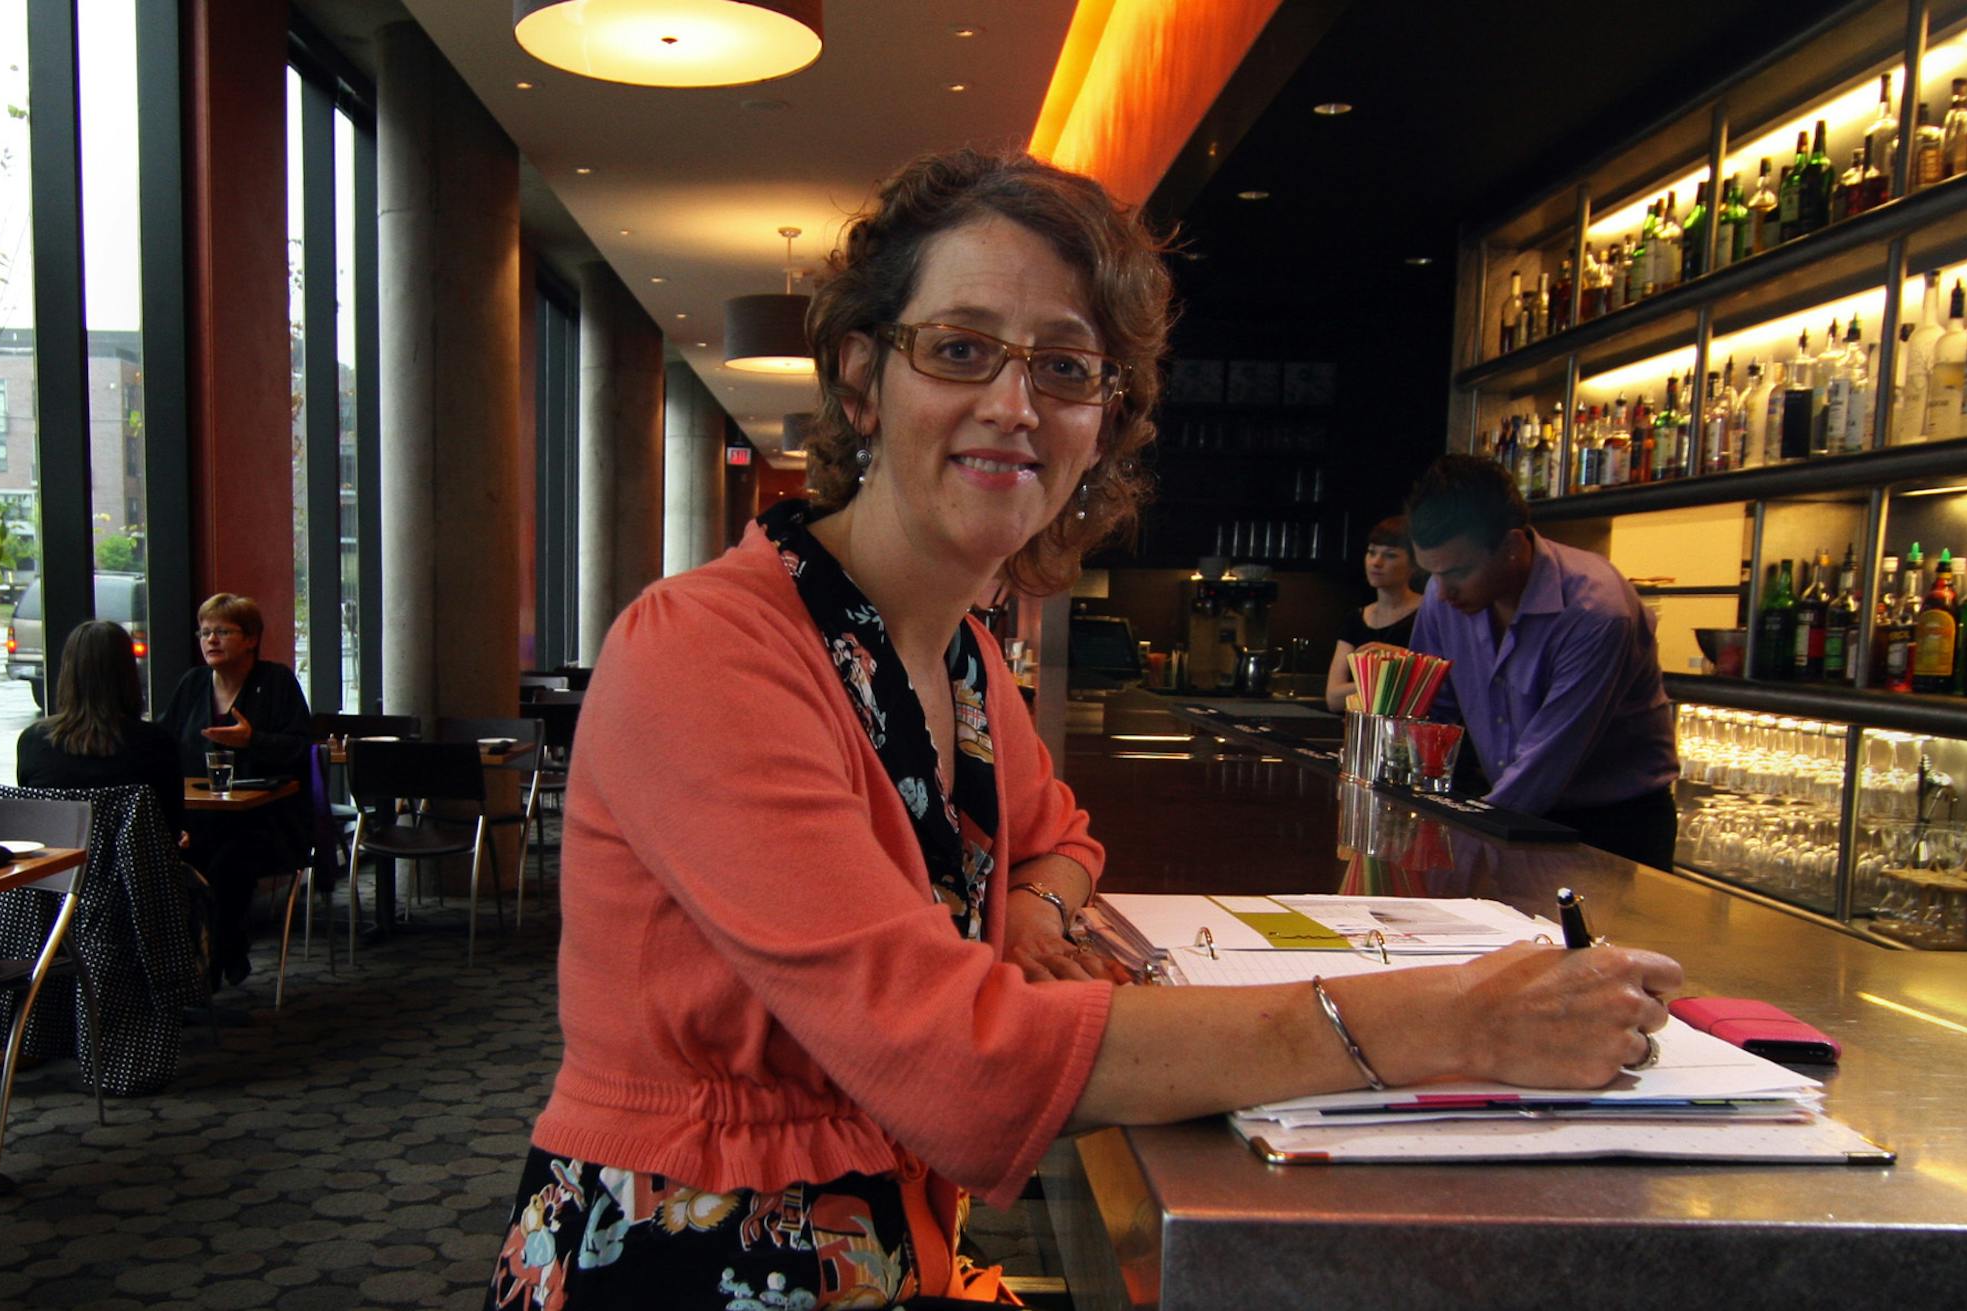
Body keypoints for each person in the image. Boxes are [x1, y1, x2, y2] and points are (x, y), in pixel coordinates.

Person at [488, 148, 1680, 1310]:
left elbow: (1064, 832)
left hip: (891, 1241)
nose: (1014, 406)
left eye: (1066, 370)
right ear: (863, 379)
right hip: (681, 1253)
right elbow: (956, 1066)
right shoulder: (707, 649)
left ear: (1105, 422)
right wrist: (1447, 1019)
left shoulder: (956, 656)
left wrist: (1027, 904)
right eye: (959, 350)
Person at [1404, 455, 1681, 869]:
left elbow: (1545, 764)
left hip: (1610, 829)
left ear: (1513, 546)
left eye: (1458, 571)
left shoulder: (1596, 611)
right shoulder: (1442, 597)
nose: (1441, 592)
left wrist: (1456, 844)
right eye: (1432, 574)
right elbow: (1429, 714)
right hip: (1503, 808)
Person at [157, 592, 313, 987]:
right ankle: (213, 952)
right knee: (171, 861)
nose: (211, 640)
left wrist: (253, 741)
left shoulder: (276, 682)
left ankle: (216, 955)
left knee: (228, 865)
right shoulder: (192, 684)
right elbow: (161, 745)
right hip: (199, 819)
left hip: (266, 820)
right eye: (205, 632)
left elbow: (301, 750)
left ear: (251, 639)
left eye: (222, 631)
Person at [15, 619, 184, 841]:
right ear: (128, 673)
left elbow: (32, 822)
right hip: (132, 873)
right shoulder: (155, 744)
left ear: (67, 672)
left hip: (58, 872)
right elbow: (169, 828)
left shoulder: (33, 742)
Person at [1324, 514, 1423, 712]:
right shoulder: (1356, 619)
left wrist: (1363, 685)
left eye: (1390, 555)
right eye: (1371, 552)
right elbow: (1333, 698)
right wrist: (1391, 680)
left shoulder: (1426, 615)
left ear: (1414, 564)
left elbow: (1425, 683)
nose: (1376, 562)